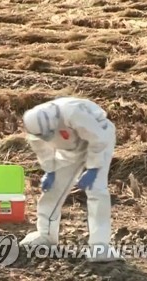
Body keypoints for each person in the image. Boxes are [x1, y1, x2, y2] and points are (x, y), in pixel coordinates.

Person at [19, 97, 122, 262]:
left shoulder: (73, 112)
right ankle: (45, 234)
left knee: (97, 190)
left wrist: (93, 169)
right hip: (69, 145)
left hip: (99, 137)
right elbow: (43, 149)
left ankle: (100, 246)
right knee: (53, 188)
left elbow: (98, 139)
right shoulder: (35, 127)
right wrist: (50, 171)